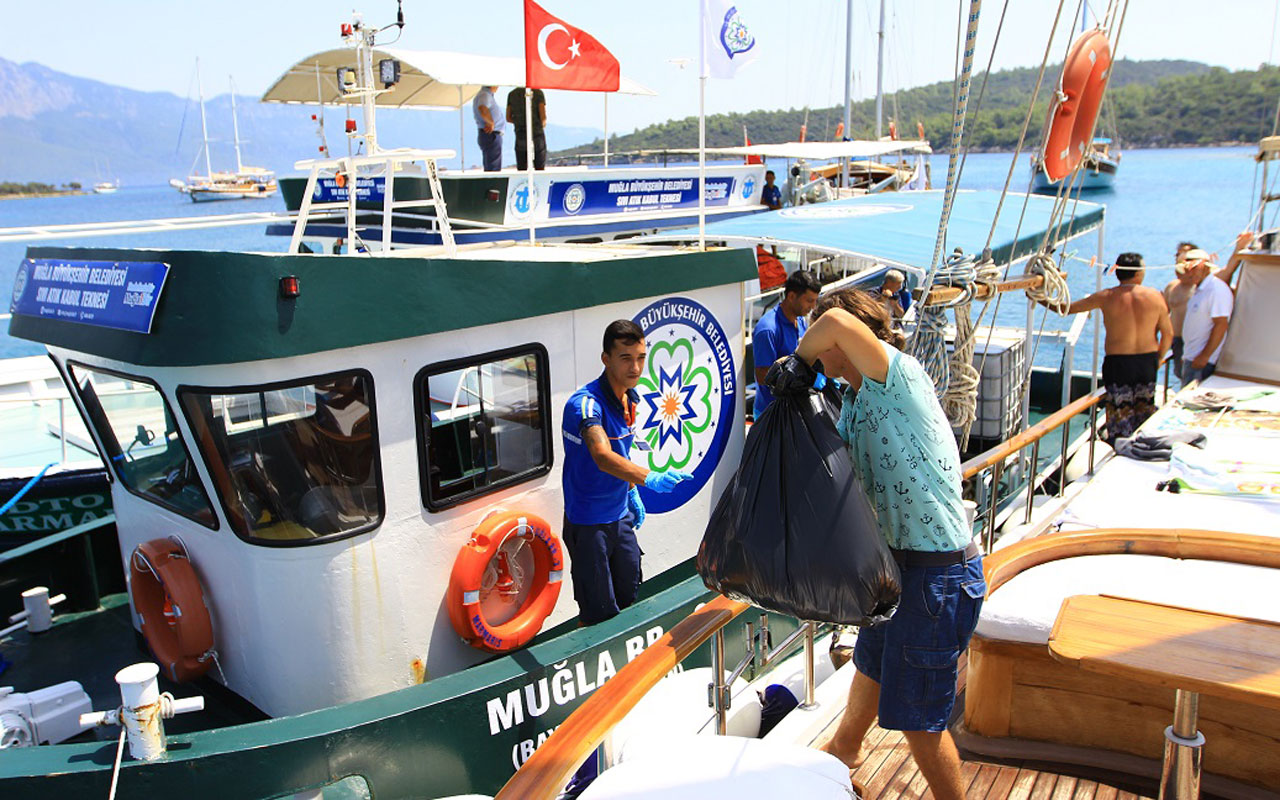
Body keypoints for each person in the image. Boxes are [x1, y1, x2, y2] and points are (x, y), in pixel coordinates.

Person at [766, 288, 982, 800]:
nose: (818, 353)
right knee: (871, 661)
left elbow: (836, 317)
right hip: (896, 568)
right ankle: (845, 748)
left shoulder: (896, 378)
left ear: (852, 340)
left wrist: (795, 361)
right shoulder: (858, 399)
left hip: (936, 575)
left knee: (920, 723)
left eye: (821, 345)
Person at [561, 320, 692, 625]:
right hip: (589, 524)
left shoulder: (630, 399)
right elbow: (602, 456)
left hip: (620, 517)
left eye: (641, 358)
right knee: (597, 612)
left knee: (630, 592)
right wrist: (649, 478)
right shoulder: (584, 405)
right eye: (625, 358)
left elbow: (622, 451)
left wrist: (631, 492)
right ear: (605, 359)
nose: (635, 367)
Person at [1043, 252, 1171, 443]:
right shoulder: (1155, 296)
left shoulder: (1106, 296)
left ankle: (1120, 445)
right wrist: (1158, 359)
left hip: (1118, 362)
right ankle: (1144, 444)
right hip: (1147, 361)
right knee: (1144, 409)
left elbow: (1065, 308)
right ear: (1140, 273)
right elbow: (1168, 334)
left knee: (1119, 411)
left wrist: (1038, 298)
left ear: (1117, 272)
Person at [752, 270, 821, 418]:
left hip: (794, 411)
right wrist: (801, 381)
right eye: (809, 301)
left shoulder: (801, 321)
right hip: (771, 416)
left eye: (816, 301)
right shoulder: (767, 330)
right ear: (791, 296)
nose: (813, 307)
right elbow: (762, 375)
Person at [1176, 248, 1234, 386]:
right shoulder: (1200, 289)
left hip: (1202, 362)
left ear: (1204, 267)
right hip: (1192, 358)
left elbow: (1221, 325)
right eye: (1187, 269)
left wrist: (1204, 356)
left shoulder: (1216, 289)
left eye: (1193, 268)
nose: (1189, 272)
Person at [507, 87, 547, 171]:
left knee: (522, 167)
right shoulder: (538, 93)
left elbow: (508, 118)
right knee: (539, 166)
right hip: (537, 132)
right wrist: (540, 125)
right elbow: (543, 117)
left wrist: (519, 122)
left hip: (520, 132)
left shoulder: (512, 94)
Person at [472, 86, 504, 172]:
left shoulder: (486, 94)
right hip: (491, 133)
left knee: (491, 165)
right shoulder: (485, 95)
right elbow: (482, 108)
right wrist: (491, 122)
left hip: (490, 134)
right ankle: (493, 184)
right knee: (493, 167)